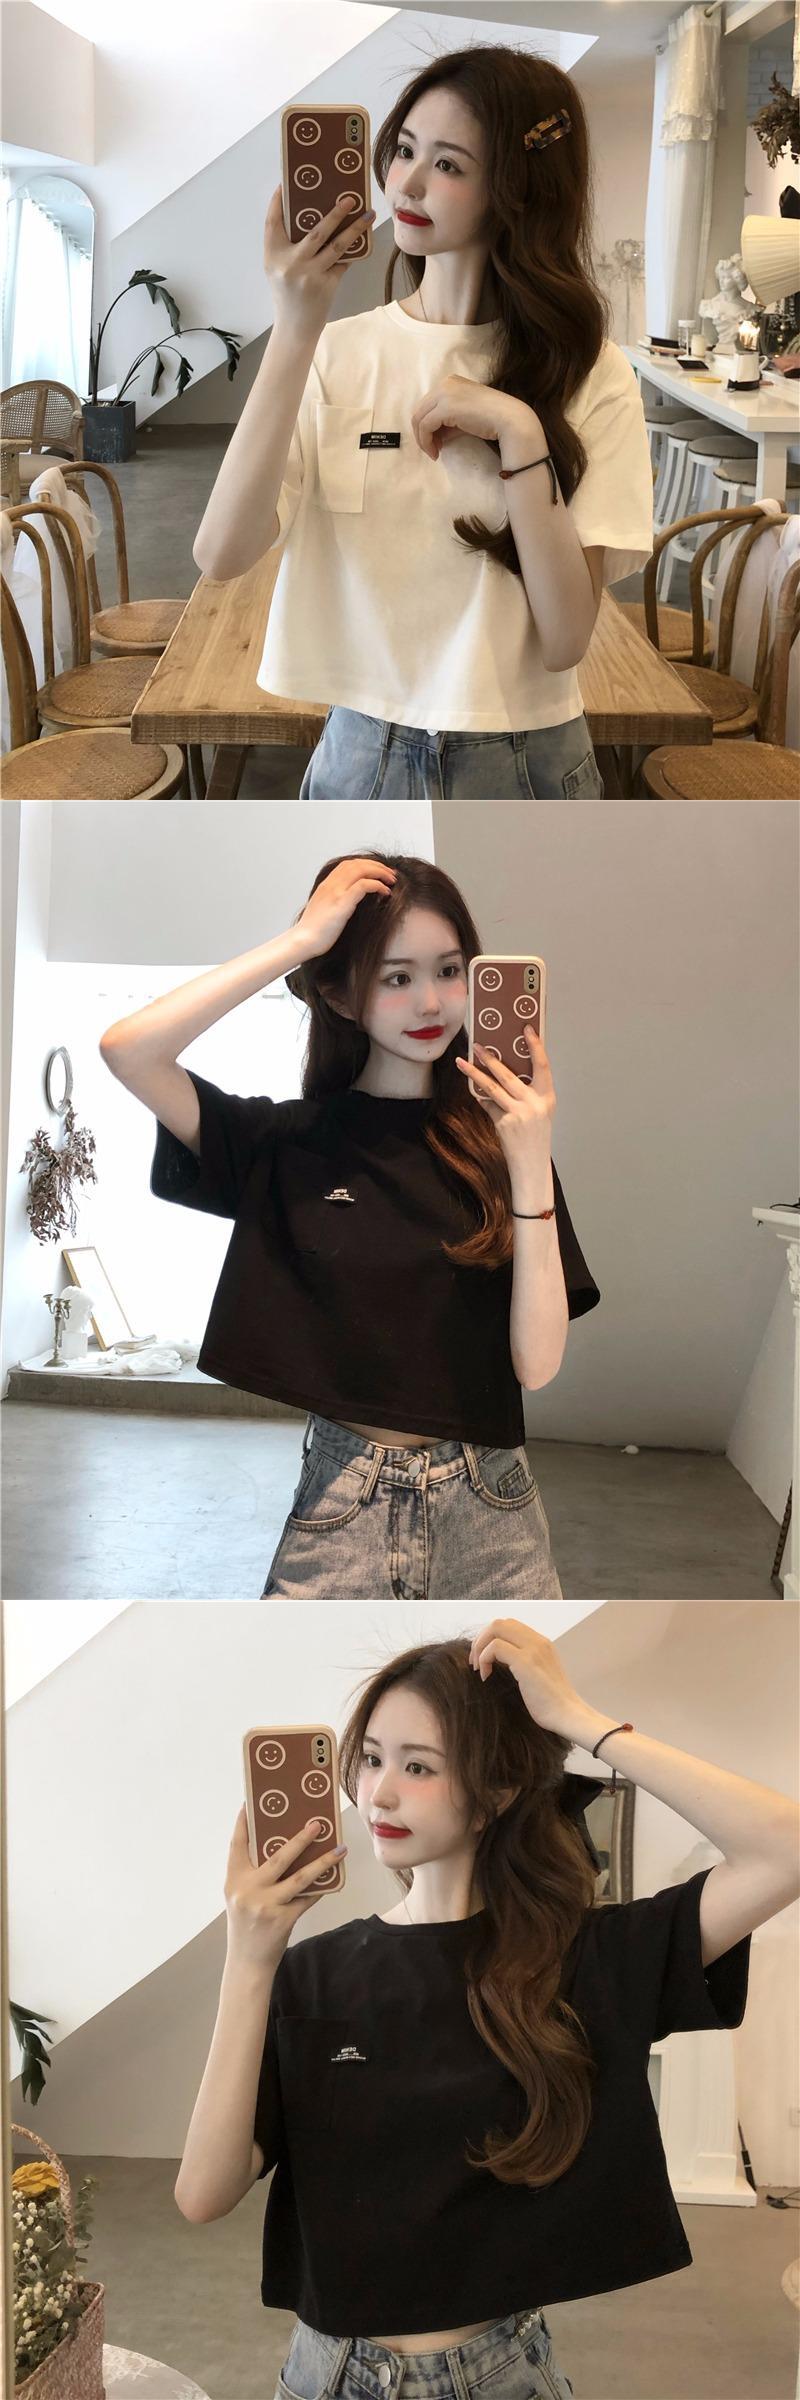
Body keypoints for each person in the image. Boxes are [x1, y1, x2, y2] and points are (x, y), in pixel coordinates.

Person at [173, 1617, 799, 2394]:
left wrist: (577, 1718)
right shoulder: (313, 1973)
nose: (379, 1793)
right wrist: (249, 1957)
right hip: (323, 2376)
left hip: (494, 2378)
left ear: (494, 1793)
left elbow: (786, 1847)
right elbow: (202, 2195)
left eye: (419, 1766)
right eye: (369, 1759)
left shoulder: (584, 1958)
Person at [99, 851, 599, 1602]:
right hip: (343, 1503)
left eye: (449, 970)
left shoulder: (506, 1145)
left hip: (494, 1509)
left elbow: (537, 1366)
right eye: (395, 978)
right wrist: (303, 941)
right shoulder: (289, 1143)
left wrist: (528, 1162)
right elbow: (129, 1049)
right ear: (338, 994)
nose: (430, 1002)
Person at [192, 46, 654, 801]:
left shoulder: (592, 372)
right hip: (360, 747)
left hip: (526, 758)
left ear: (519, 189)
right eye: (404, 150)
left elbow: (567, 638)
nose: (405, 183)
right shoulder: (334, 351)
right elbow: (221, 553)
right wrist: (295, 326)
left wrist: (522, 436)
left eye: (447, 164)